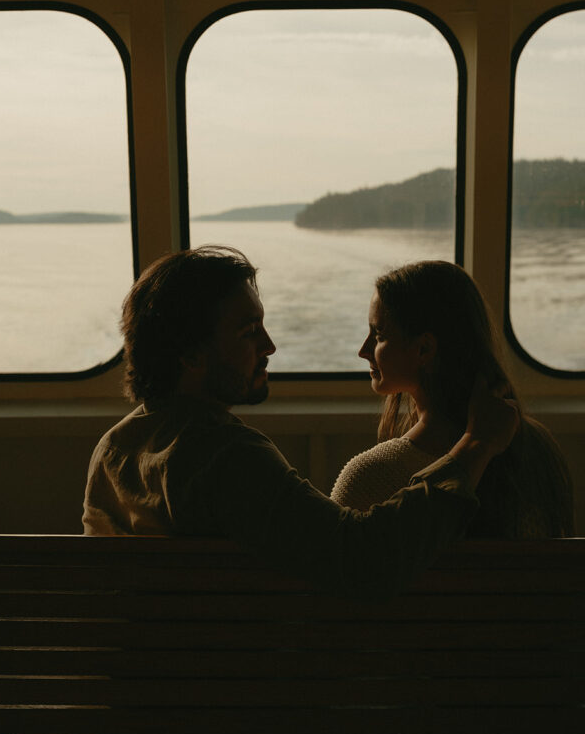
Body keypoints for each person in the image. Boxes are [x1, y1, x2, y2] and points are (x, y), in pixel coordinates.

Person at [83, 246, 519, 596]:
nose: (268, 345)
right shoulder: (229, 458)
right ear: (191, 355)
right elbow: (360, 558)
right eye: (248, 331)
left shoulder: (113, 450)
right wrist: (474, 447)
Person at [331, 261, 574, 538]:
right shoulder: (536, 449)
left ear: (424, 349)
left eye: (379, 334)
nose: (364, 350)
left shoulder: (372, 477)